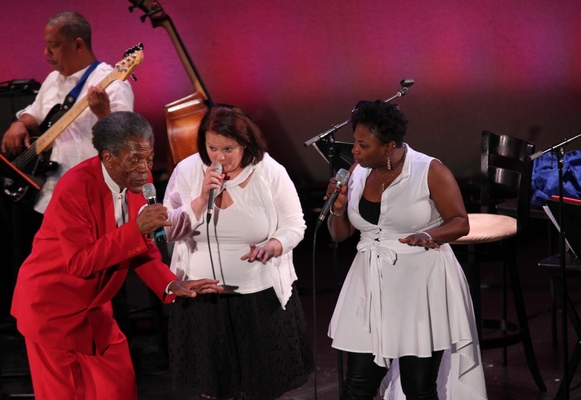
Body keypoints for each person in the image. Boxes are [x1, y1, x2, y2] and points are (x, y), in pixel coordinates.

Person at [10, 111, 223, 400]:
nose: (144, 169)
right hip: (52, 310)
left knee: (119, 388)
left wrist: (172, 284)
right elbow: (80, 262)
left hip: (95, 308)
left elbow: (141, 249)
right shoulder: (75, 187)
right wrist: (136, 228)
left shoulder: (137, 183)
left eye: (148, 159)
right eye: (134, 160)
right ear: (108, 158)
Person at [324, 100, 487, 399]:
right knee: (357, 386)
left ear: (388, 146)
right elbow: (340, 235)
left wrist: (428, 233)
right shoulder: (358, 171)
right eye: (355, 142)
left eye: (363, 144)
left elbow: (460, 222)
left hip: (420, 288)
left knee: (419, 388)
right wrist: (337, 209)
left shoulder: (430, 170)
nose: (355, 151)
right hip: (370, 286)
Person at [163, 104, 314, 399]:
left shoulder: (270, 172)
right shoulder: (188, 170)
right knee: (214, 387)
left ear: (246, 144)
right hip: (202, 298)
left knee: (261, 386)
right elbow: (168, 229)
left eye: (228, 149)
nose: (219, 158)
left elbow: (295, 225)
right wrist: (200, 198)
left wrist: (274, 245)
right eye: (212, 148)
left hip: (260, 298)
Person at [1, 11, 134, 215]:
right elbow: (34, 114)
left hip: (92, 199)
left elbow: (125, 143)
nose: (46, 52)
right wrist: (19, 124)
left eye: (54, 45)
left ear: (78, 45)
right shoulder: (52, 79)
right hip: (48, 198)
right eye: (46, 45)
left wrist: (104, 115)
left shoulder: (114, 84)